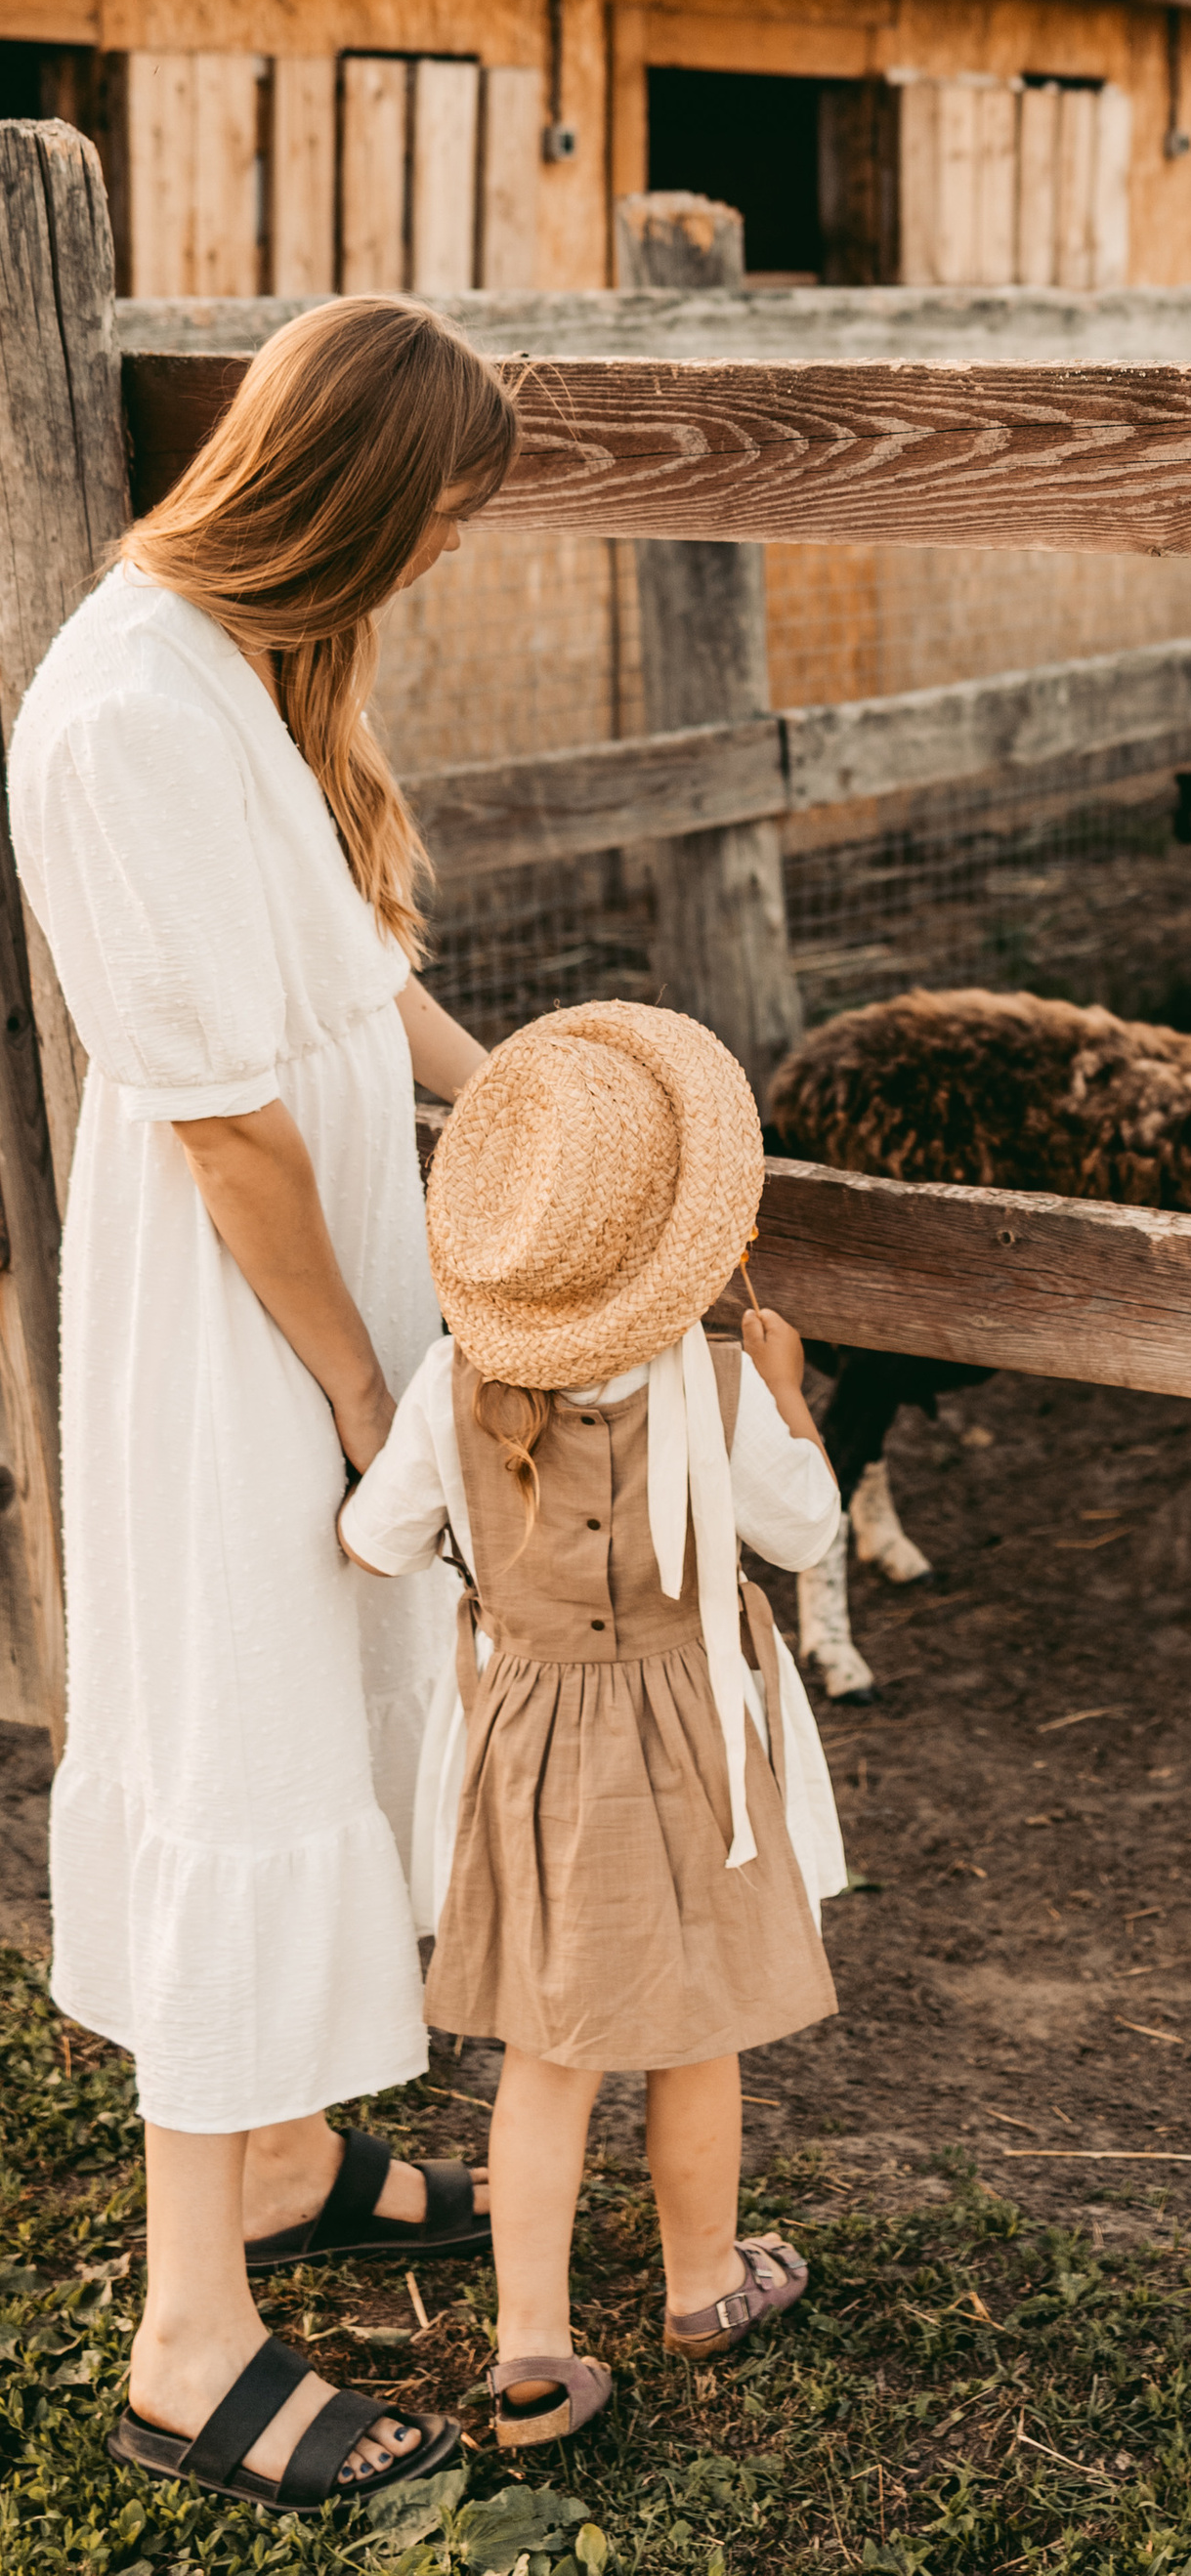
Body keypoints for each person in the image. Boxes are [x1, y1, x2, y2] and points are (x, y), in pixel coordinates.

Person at [8, 295, 517, 2512]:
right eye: (428, 528)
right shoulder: (124, 703)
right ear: (347, 497)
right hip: (246, 1306)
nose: (426, 573)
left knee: (318, 1704)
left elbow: (343, 977)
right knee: (239, 1730)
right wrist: (355, 1387)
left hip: (323, 1269)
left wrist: (525, 1107)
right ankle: (188, 2337)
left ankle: (291, 2152)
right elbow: (226, 1126)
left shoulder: (230, 667)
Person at [341, 997, 845, 2455]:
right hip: (693, 1747)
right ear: (672, 1239)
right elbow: (804, 1539)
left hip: (530, 1747)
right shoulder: (725, 1384)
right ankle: (702, 2281)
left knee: (547, 2054)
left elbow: (377, 1545)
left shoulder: (453, 1384)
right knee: (698, 2034)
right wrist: (794, 1398)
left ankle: (529, 2349)